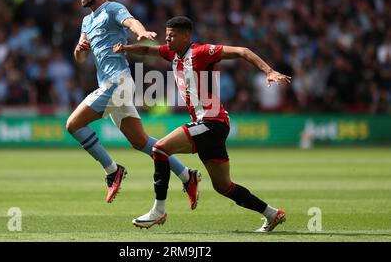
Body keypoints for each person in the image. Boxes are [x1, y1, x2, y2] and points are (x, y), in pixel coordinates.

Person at [113, 16, 292, 232]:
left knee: (159, 148)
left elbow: (243, 51)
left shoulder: (201, 52)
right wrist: (126, 48)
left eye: (172, 36)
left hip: (212, 121)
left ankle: (158, 210)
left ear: (186, 36)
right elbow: (148, 51)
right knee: (223, 186)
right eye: (167, 35)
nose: (167, 40)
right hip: (209, 124)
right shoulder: (172, 54)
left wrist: (269, 71)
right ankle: (272, 214)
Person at [66, 0, 201, 207]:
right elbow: (79, 58)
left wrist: (140, 32)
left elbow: (130, 21)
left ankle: (112, 171)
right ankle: (186, 175)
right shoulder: (87, 21)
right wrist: (80, 48)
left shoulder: (112, 8)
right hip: (112, 85)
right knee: (141, 142)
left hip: (117, 83)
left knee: (74, 125)